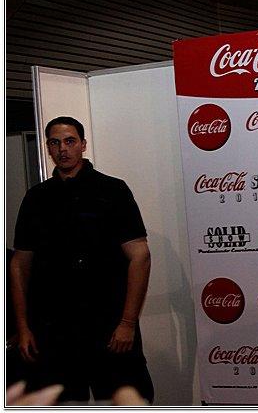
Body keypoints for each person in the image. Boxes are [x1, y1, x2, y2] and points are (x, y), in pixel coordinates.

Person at [9, 116, 154, 403]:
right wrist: (23, 328)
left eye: (70, 141)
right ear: (48, 148)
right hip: (54, 327)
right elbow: (19, 265)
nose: (62, 149)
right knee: (62, 402)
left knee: (128, 400)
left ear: (83, 144)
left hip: (108, 323)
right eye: (55, 142)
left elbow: (141, 257)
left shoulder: (113, 190)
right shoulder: (36, 199)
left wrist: (127, 322)